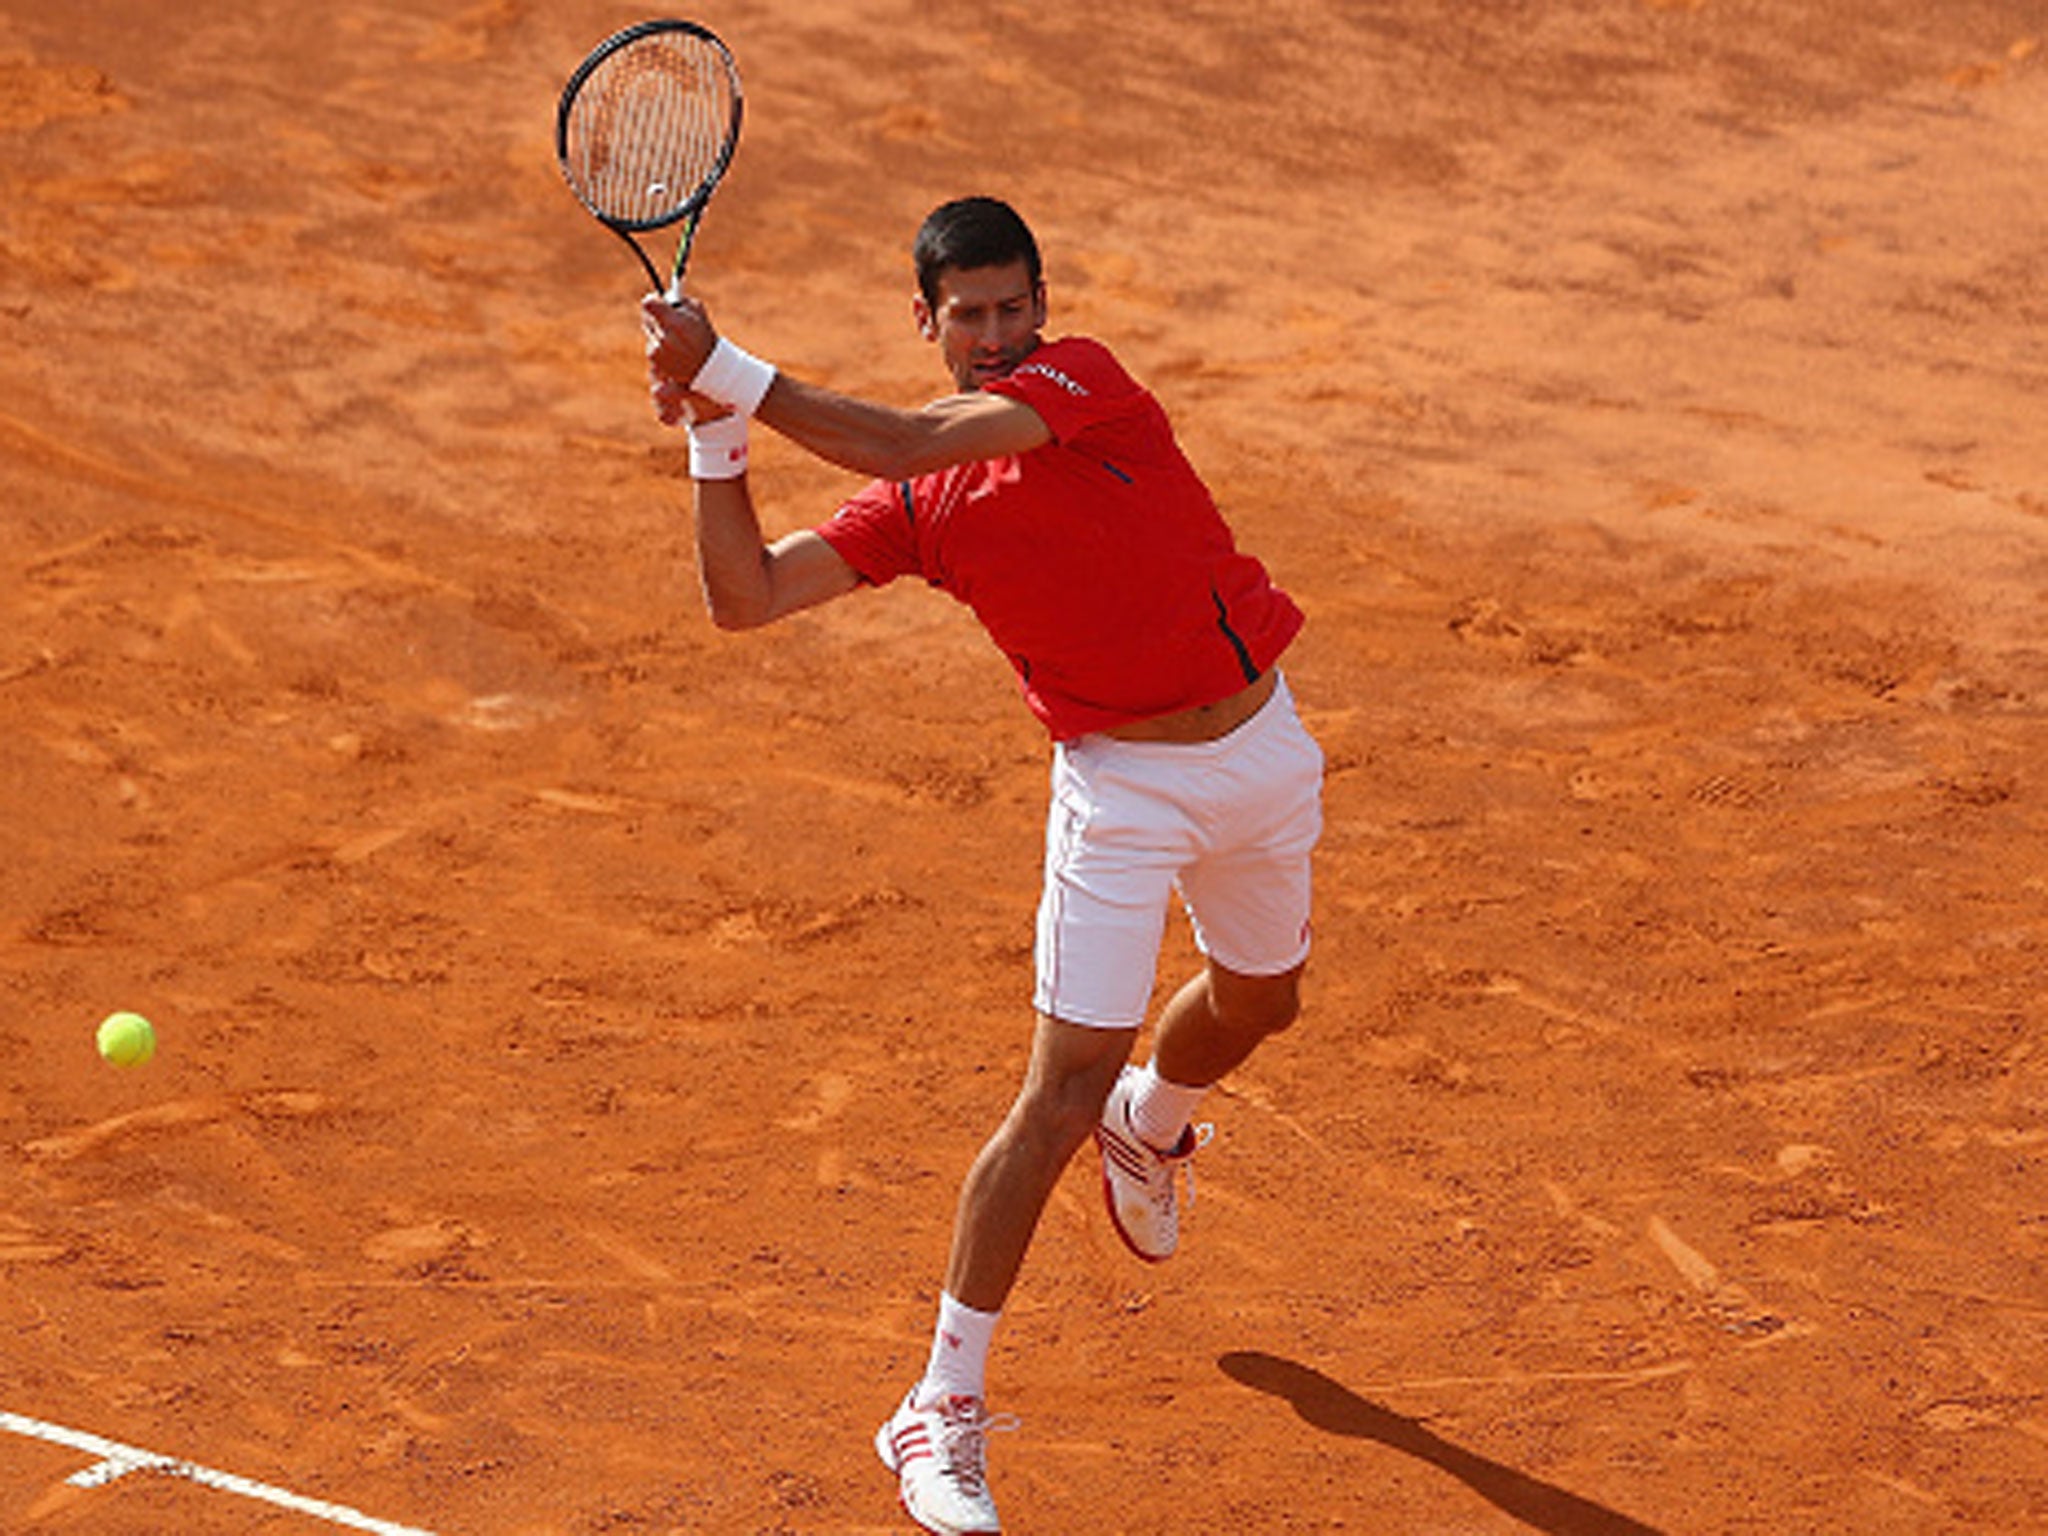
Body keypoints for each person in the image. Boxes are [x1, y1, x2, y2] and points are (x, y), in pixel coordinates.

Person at [639, 196, 1323, 1536]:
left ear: (1043, 309)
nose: (1000, 336)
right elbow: (748, 598)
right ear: (928, 322)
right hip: (1121, 795)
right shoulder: (925, 507)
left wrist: (725, 369)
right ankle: (939, 1406)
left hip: (1263, 748)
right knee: (1057, 1098)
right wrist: (716, 444)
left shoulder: (1088, 384)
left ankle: (1158, 1117)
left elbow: (897, 430)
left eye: (1017, 308)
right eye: (972, 316)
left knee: (1263, 1001)